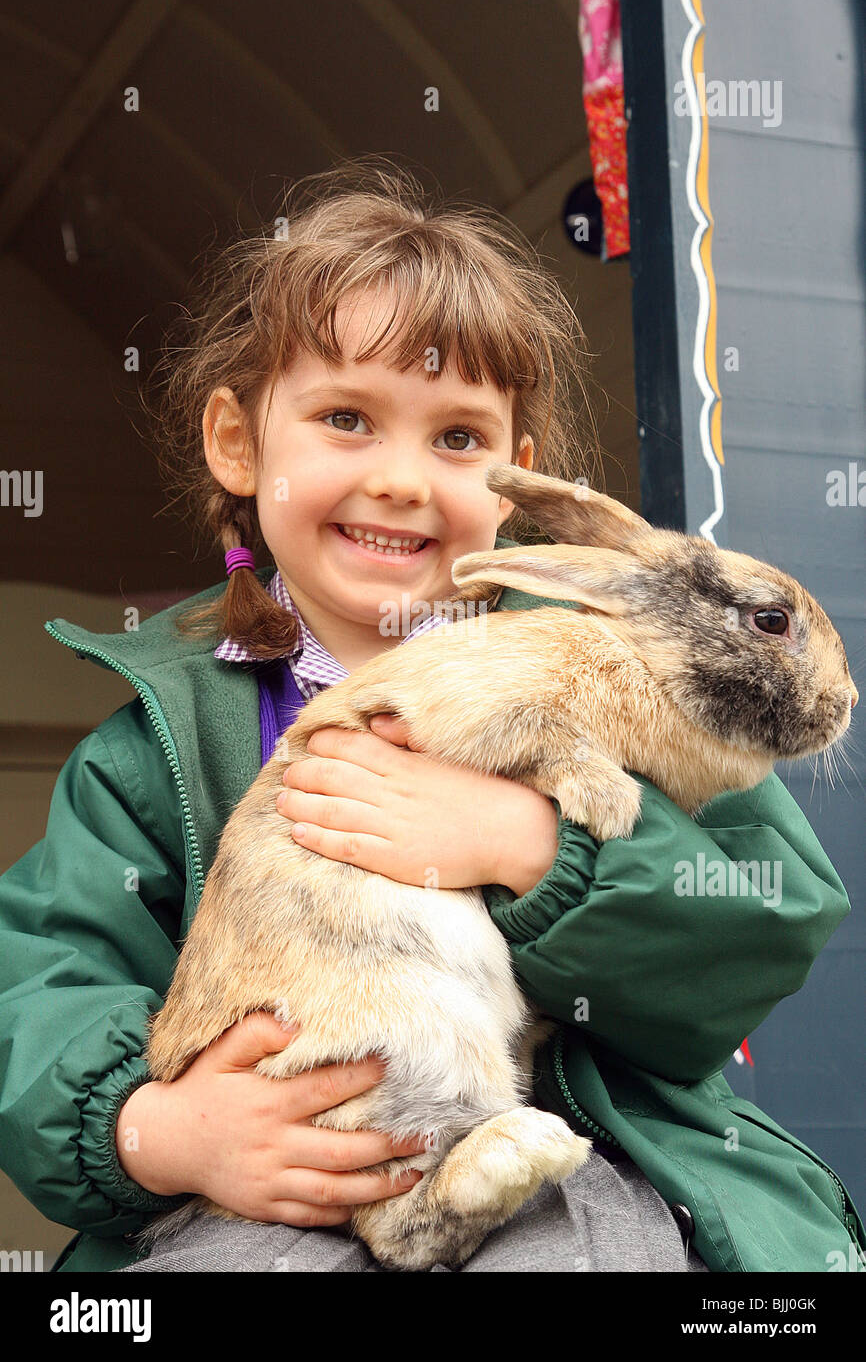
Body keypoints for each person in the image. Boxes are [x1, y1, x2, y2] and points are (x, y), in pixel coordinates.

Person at [0, 160, 862, 1274]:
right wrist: (156, 1134)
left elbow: (760, 914)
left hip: (579, 1139)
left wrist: (530, 850)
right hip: (287, 1167)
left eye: (456, 438)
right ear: (239, 443)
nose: (403, 479)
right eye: (347, 418)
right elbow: (42, 981)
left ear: (517, 488)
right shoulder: (147, 743)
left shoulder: (630, 673)